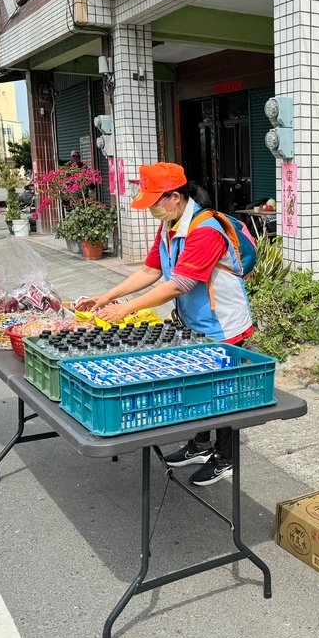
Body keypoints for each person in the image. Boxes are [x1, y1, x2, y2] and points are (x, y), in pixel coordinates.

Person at [80, 162, 254, 486]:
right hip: (196, 322)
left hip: (223, 326)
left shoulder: (205, 231)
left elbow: (178, 285)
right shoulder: (171, 225)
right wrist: (107, 296)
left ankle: (226, 458)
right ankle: (202, 445)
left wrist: (126, 309)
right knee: (201, 386)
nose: (150, 210)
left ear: (174, 197)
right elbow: (150, 271)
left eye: (154, 202)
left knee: (222, 394)